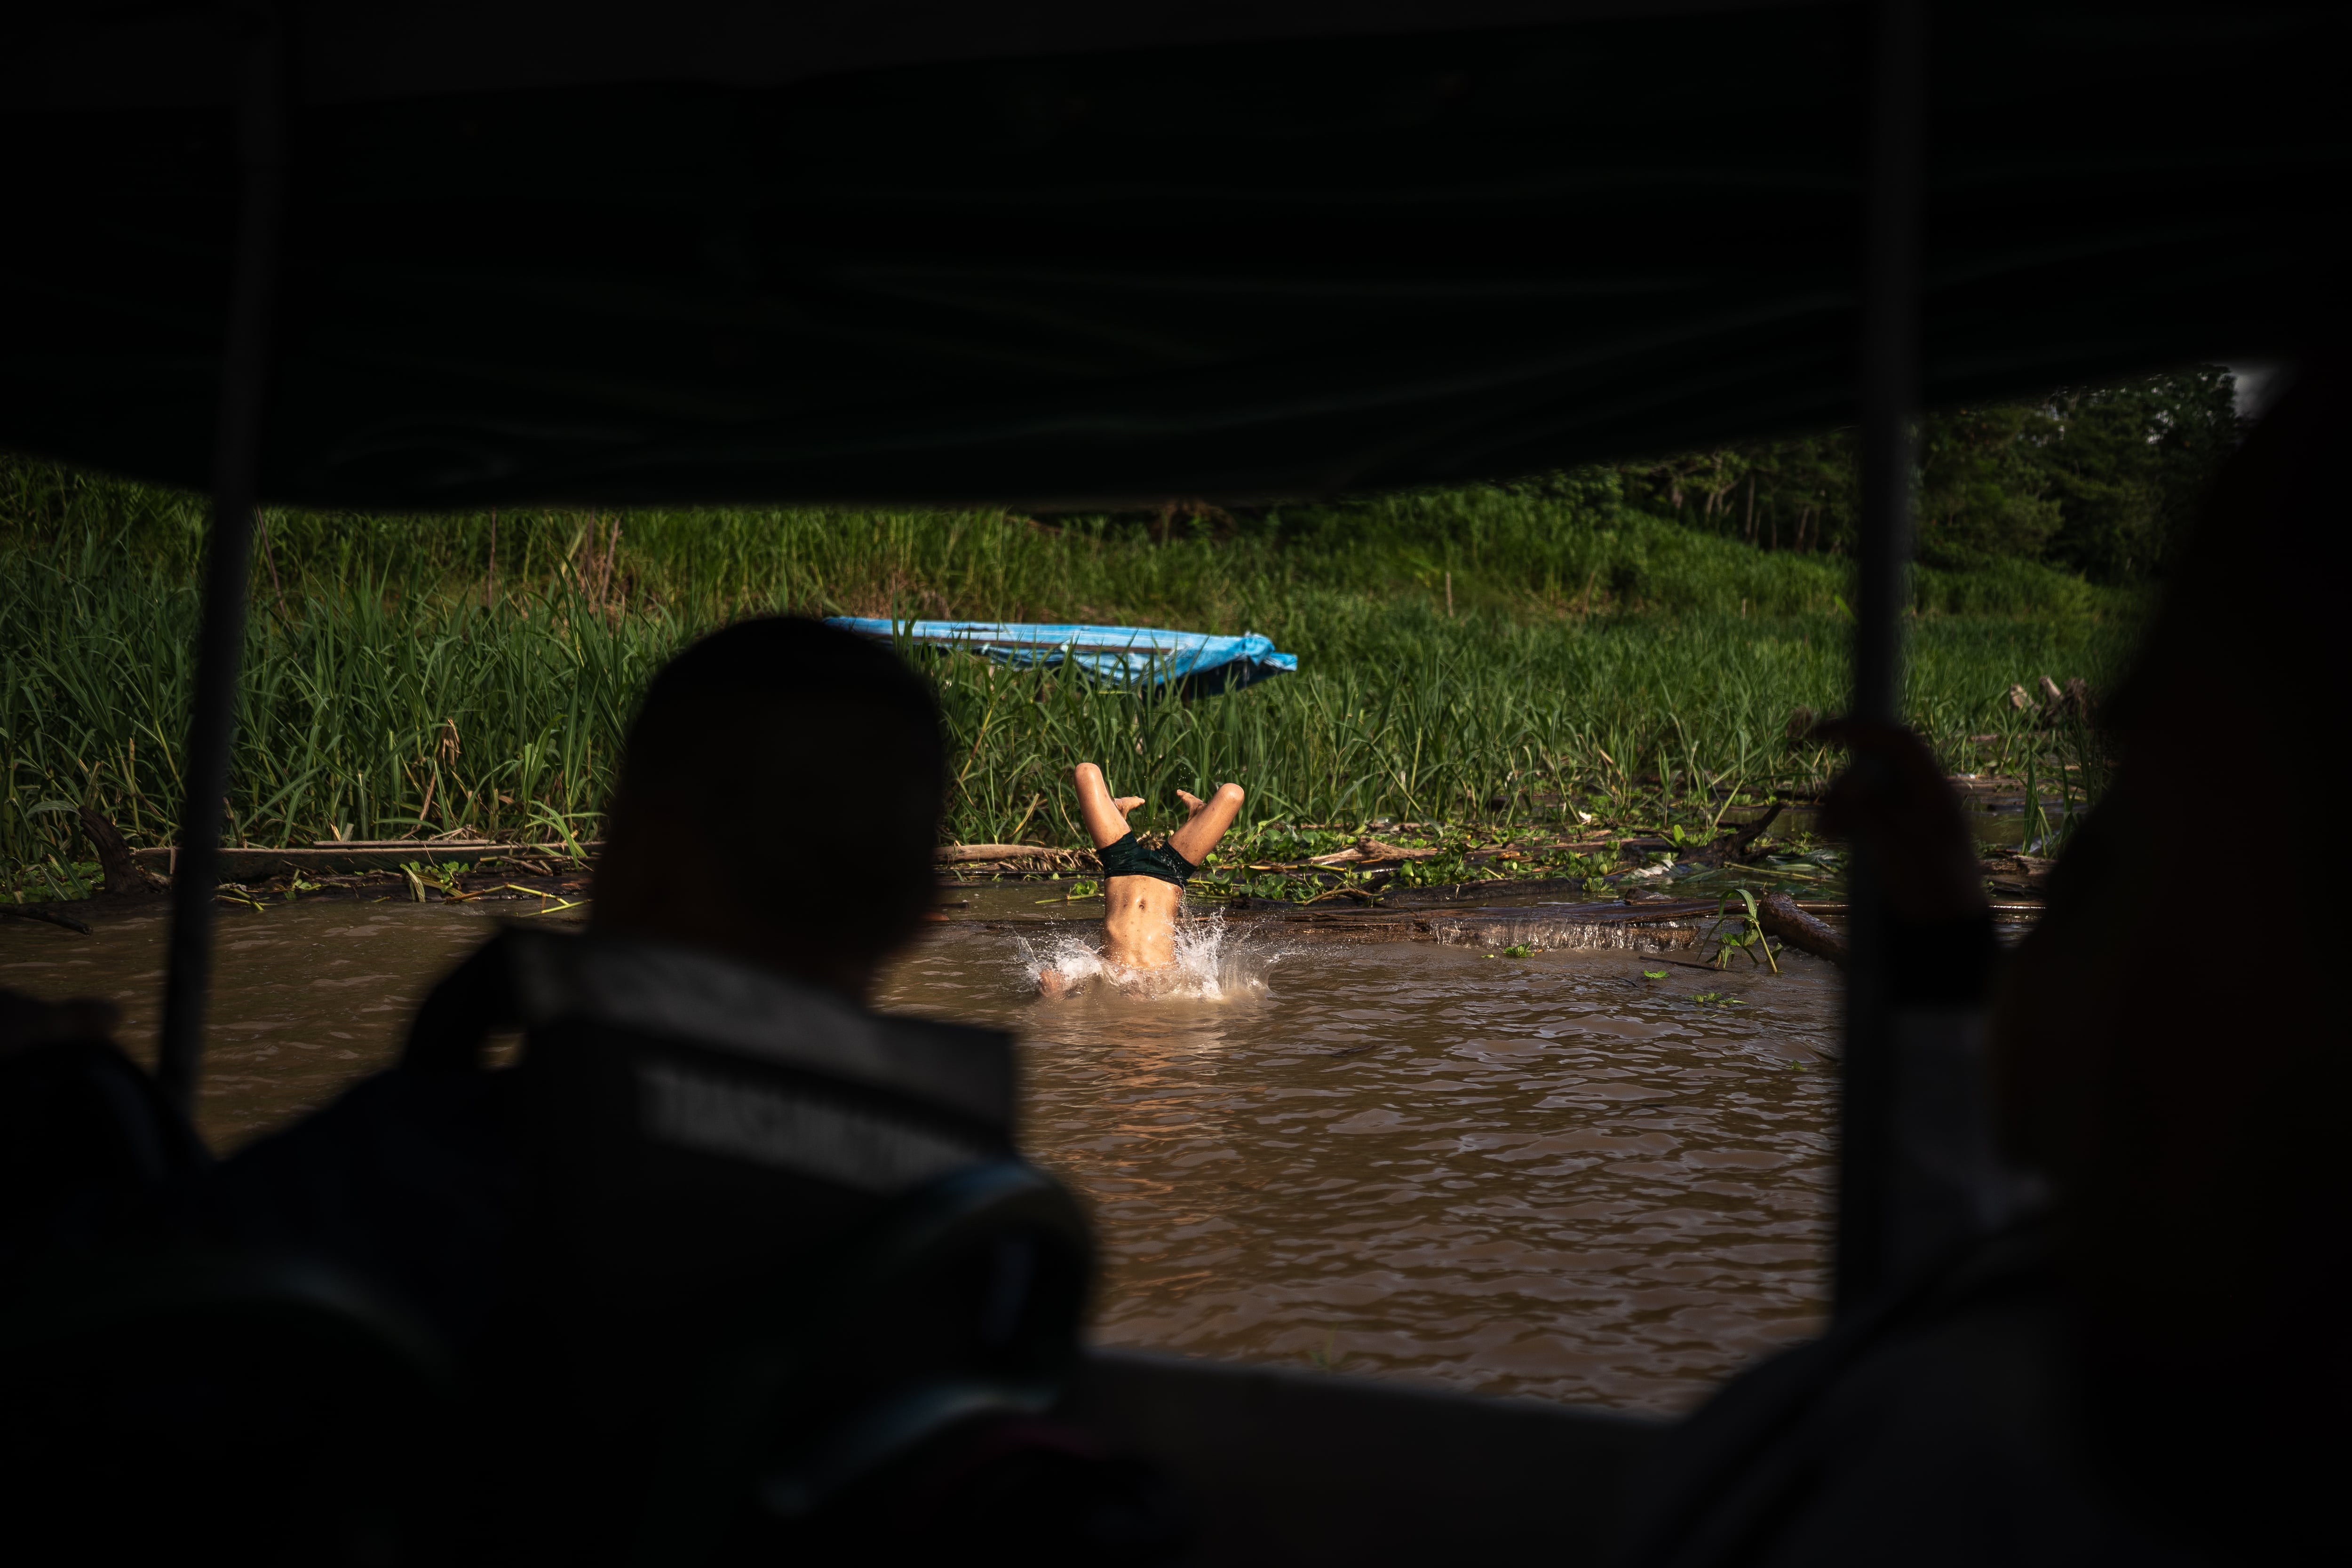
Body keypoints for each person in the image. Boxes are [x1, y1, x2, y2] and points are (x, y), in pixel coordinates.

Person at [1617, 358, 2346, 1568]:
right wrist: (1943, 939)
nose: (2051, 914)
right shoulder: (2120, 1318)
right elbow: (1956, 1226)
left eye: (2108, 863)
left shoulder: (2032, 1473)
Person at [1039, 764, 1243, 993]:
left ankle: (1115, 808)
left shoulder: (1103, 978)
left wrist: (1055, 985)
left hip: (1121, 867)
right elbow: (1200, 988)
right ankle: (1199, 812)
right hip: (1170, 874)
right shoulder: (1169, 987)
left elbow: (1077, 972)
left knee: (1085, 772)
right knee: (1233, 794)